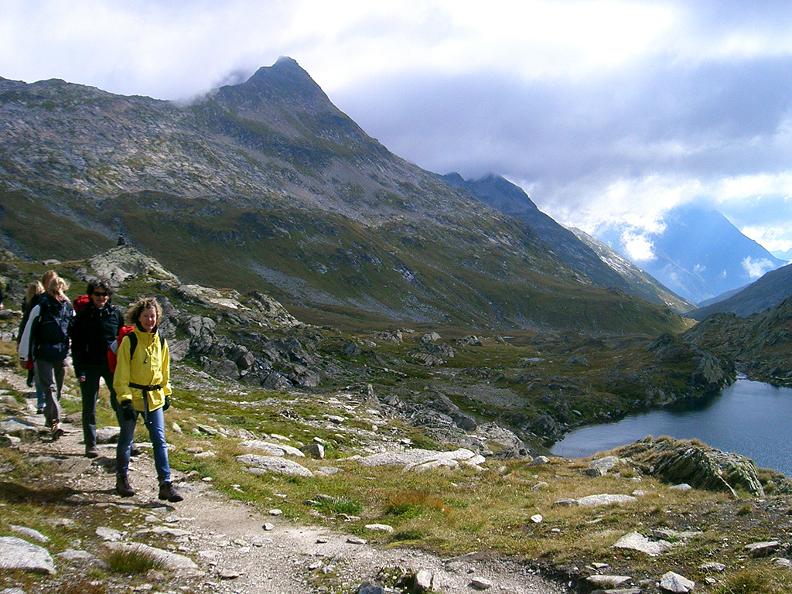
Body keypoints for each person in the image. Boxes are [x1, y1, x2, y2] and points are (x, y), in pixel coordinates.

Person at [113, 297, 182, 502]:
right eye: (146, 316)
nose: (150, 320)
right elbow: (122, 372)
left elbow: (165, 370)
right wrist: (124, 399)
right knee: (126, 439)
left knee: (159, 441)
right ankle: (122, 478)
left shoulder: (161, 341)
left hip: (154, 397)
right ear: (138, 317)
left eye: (153, 316)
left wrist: (166, 392)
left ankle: (165, 484)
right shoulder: (130, 341)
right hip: (133, 397)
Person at [71, 279, 123, 458]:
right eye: (97, 294)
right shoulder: (83, 316)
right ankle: (91, 444)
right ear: (91, 295)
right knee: (89, 405)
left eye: (105, 294)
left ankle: (126, 441)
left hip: (111, 366)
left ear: (109, 296)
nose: (101, 297)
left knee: (120, 402)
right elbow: (76, 345)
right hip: (89, 365)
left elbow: (122, 339)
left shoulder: (116, 314)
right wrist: (80, 370)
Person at [18, 277, 74, 439]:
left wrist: (24, 354)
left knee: (53, 388)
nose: (58, 292)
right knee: (51, 387)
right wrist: (24, 354)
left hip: (52, 352)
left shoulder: (59, 307)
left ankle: (50, 419)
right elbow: (29, 330)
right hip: (51, 353)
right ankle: (56, 421)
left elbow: (28, 330)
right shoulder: (48, 306)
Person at [18, 281, 46, 402]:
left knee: (32, 359)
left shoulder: (29, 302)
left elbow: (25, 321)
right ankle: (43, 399)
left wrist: (20, 340)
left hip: (31, 335)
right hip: (41, 337)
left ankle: (31, 378)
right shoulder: (44, 301)